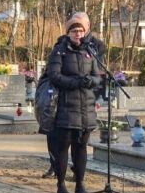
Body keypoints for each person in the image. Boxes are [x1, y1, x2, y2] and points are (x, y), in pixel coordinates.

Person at [41, 11, 106, 179]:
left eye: (81, 30)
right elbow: (53, 75)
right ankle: (60, 180)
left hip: (86, 106)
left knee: (81, 147)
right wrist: (76, 82)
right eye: (74, 30)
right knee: (62, 146)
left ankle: (79, 183)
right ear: (68, 32)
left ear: (87, 29)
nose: (78, 34)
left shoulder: (92, 50)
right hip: (65, 106)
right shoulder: (59, 51)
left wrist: (90, 81)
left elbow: (98, 75)